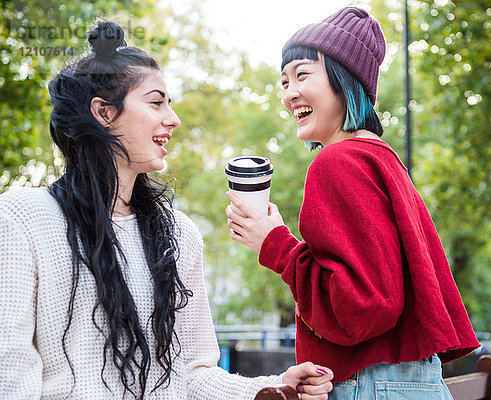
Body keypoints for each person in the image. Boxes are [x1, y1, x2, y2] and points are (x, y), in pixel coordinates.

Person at [0, 21, 334, 399]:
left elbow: (192, 371)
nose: (173, 119)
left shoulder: (178, 232)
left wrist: (268, 389)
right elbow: (11, 375)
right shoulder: (21, 219)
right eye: (157, 102)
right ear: (104, 113)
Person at [225, 7, 480, 399]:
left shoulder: (337, 162)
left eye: (302, 74)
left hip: (375, 385)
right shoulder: (381, 158)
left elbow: (364, 307)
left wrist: (274, 244)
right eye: (284, 80)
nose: (289, 92)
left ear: (345, 81)